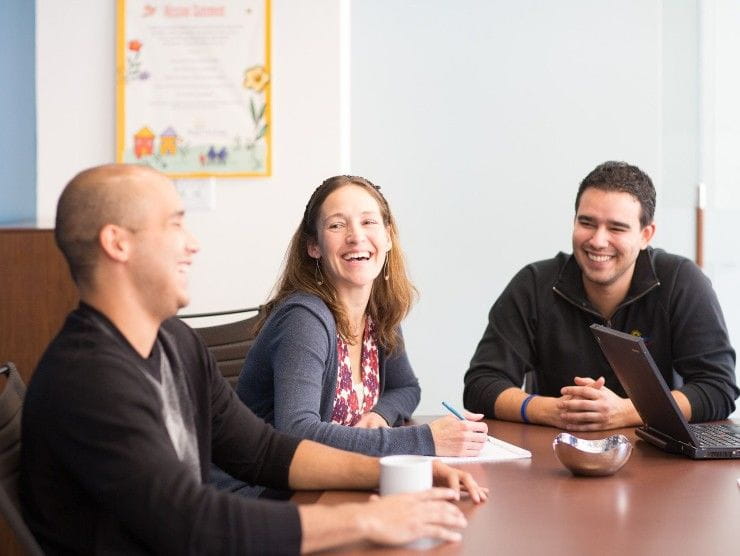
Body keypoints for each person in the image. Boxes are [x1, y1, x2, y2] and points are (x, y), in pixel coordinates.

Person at [20, 164, 488, 555]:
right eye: (175, 224)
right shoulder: (89, 380)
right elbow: (191, 523)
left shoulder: (175, 344)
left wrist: (402, 469)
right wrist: (365, 518)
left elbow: (264, 451)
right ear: (118, 243)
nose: (193, 244)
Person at [464, 161, 739, 431]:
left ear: (646, 235)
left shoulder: (681, 281)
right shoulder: (534, 283)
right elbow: (482, 384)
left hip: (659, 458)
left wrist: (625, 412)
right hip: (555, 454)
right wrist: (556, 411)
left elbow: (717, 387)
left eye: (616, 228)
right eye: (587, 223)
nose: (597, 240)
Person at [236, 175, 488, 458]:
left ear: (388, 236)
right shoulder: (303, 319)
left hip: (334, 479)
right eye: (336, 225)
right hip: (264, 491)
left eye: (368, 222)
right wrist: (424, 439)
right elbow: (296, 431)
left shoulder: (377, 311)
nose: (356, 236)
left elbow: (405, 387)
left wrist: (380, 414)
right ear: (314, 246)